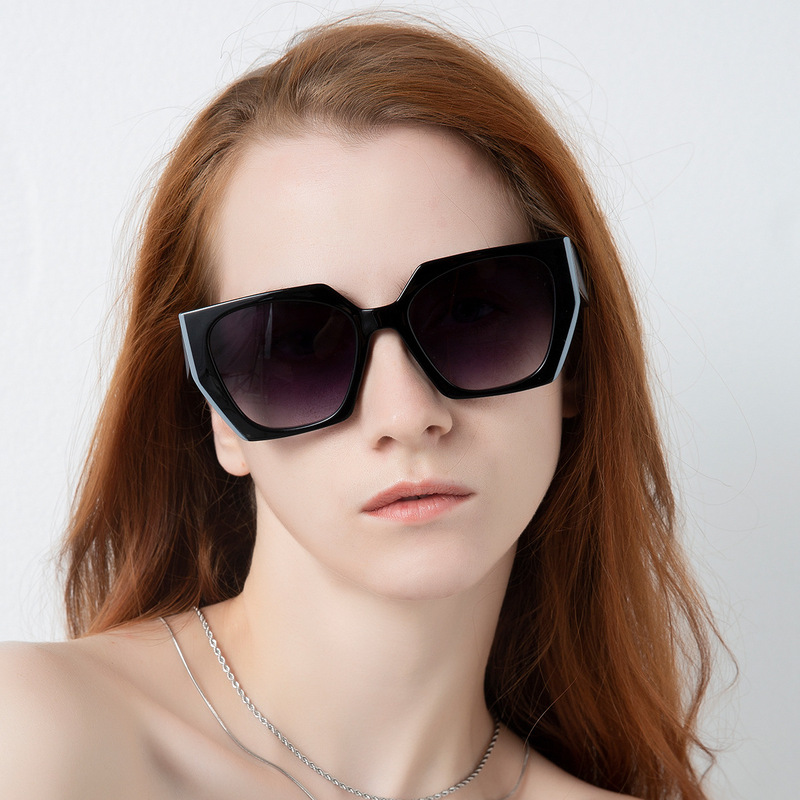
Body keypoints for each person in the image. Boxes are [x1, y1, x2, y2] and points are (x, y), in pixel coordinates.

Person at [0, 16, 720, 800]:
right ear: (219, 413)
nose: (407, 415)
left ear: (571, 356)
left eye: (473, 313)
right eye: (297, 345)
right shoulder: (37, 737)